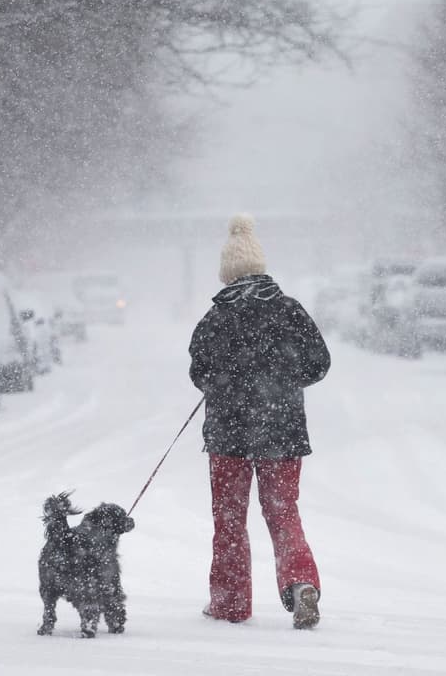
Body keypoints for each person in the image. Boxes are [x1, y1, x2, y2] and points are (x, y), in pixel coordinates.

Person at [188, 213, 331, 630]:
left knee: (229, 519)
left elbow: (199, 372)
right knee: (283, 511)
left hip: (228, 434)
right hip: (281, 430)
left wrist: (226, 386)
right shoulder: (289, 310)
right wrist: (283, 384)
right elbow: (319, 363)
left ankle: (230, 602)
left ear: (228, 273)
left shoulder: (217, 318)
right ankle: (302, 582)